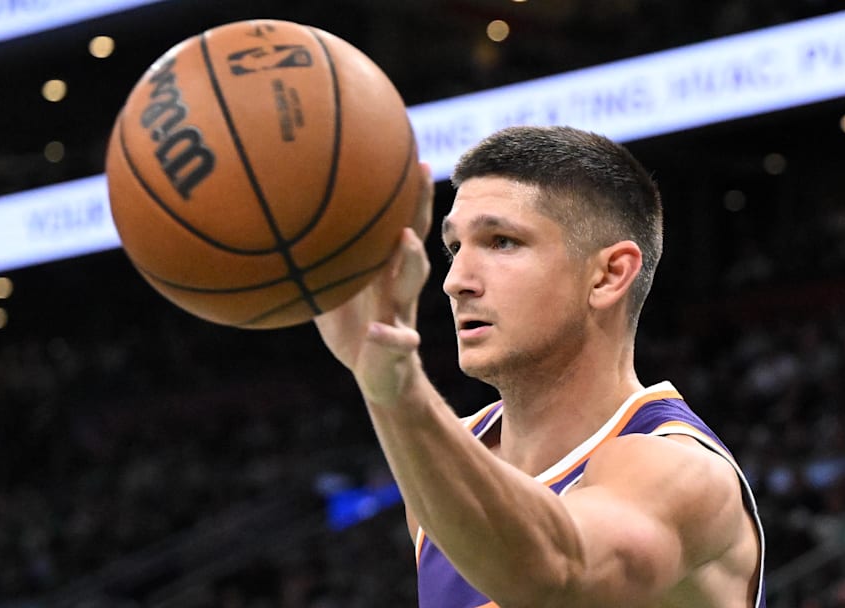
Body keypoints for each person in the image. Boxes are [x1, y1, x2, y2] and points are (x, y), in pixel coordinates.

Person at [314, 126, 765, 608]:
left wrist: (395, 388)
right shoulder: (450, 456)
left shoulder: (681, 473)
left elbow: (556, 574)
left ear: (609, 275)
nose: (455, 281)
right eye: (454, 248)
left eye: (502, 241)